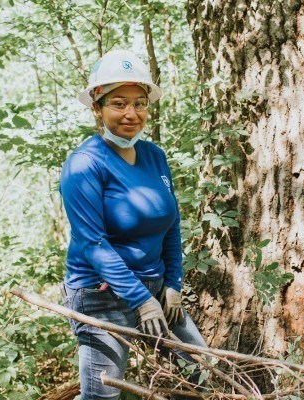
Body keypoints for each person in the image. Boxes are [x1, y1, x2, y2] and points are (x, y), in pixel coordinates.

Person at [60, 49, 207, 400]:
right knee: (102, 396)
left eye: (140, 103)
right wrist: (142, 300)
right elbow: (93, 244)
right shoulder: (84, 164)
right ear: (98, 107)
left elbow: (171, 223)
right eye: (119, 103)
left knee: (198, 370)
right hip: (102, 295)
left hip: (154, 290)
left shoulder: (154, 155)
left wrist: (172, 283)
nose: (131, 114)